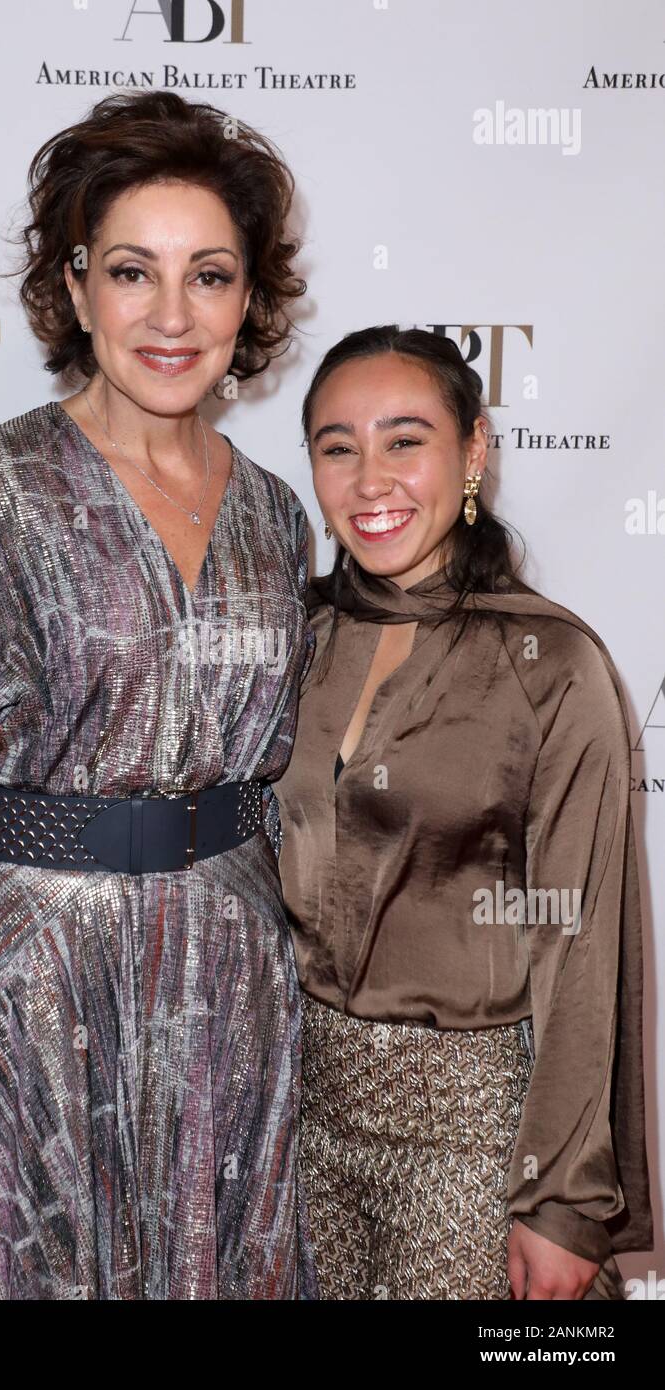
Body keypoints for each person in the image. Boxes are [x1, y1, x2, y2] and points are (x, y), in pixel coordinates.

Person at [0, 89, 319, 1300]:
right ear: (75, 284)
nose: (169, 313)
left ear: (248, 301)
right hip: (23, 980)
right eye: (132, 271)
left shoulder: (274, 516)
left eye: (209, 275)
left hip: (226, 975)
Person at [268, 325, 653, 1300]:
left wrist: (560, 1201)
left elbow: (580, 941)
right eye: (336, 446)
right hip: (301, 1125)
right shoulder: (292, 637)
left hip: (473, 1138)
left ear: (473, 450)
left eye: (405, 440)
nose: (369, 479)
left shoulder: (551, 664)